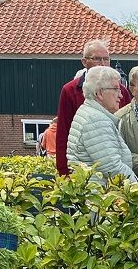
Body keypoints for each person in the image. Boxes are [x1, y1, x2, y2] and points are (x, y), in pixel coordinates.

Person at [55, 40, 130, 176]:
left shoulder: (122, 91)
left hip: (115, 162)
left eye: (106, 59)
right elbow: (63, 133)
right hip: (90, 173)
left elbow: (126, 129)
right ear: (84, 62)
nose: (102, 63)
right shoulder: (70, 90)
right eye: (96, 59)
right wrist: (64, 172)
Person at [68, 66, 137, 184]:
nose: (121, 95)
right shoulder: (96, 120)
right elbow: (113, 167)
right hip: (99, 197)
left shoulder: (90, 112)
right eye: (116, 89)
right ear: (100, 93)